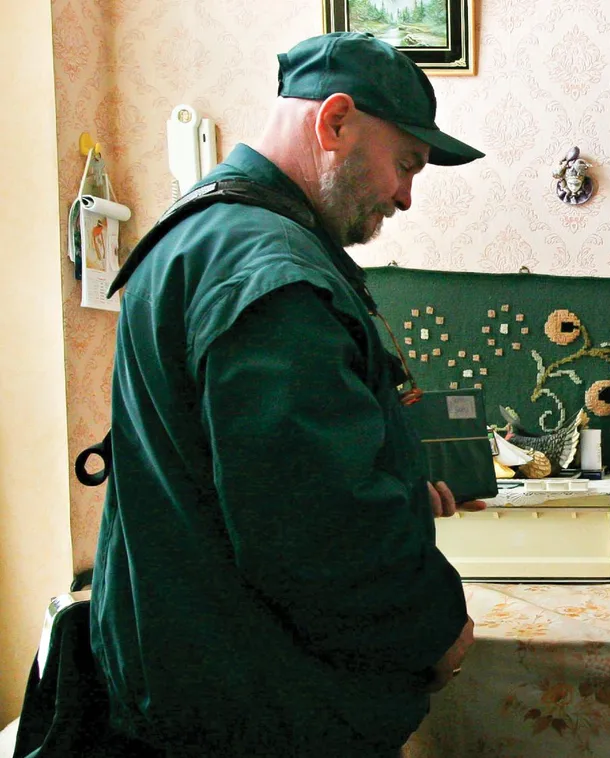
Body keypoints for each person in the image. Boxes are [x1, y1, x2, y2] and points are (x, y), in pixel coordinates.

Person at [91, 33, 486, 756]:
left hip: (199, 677)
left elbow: (251, 479)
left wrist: (396, 488)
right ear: (334, 123)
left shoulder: (205, 234)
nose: (404, 195)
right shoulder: (272, 270)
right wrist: (433, 631)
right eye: (405, 164)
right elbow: (315, 529)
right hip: (255, 704)